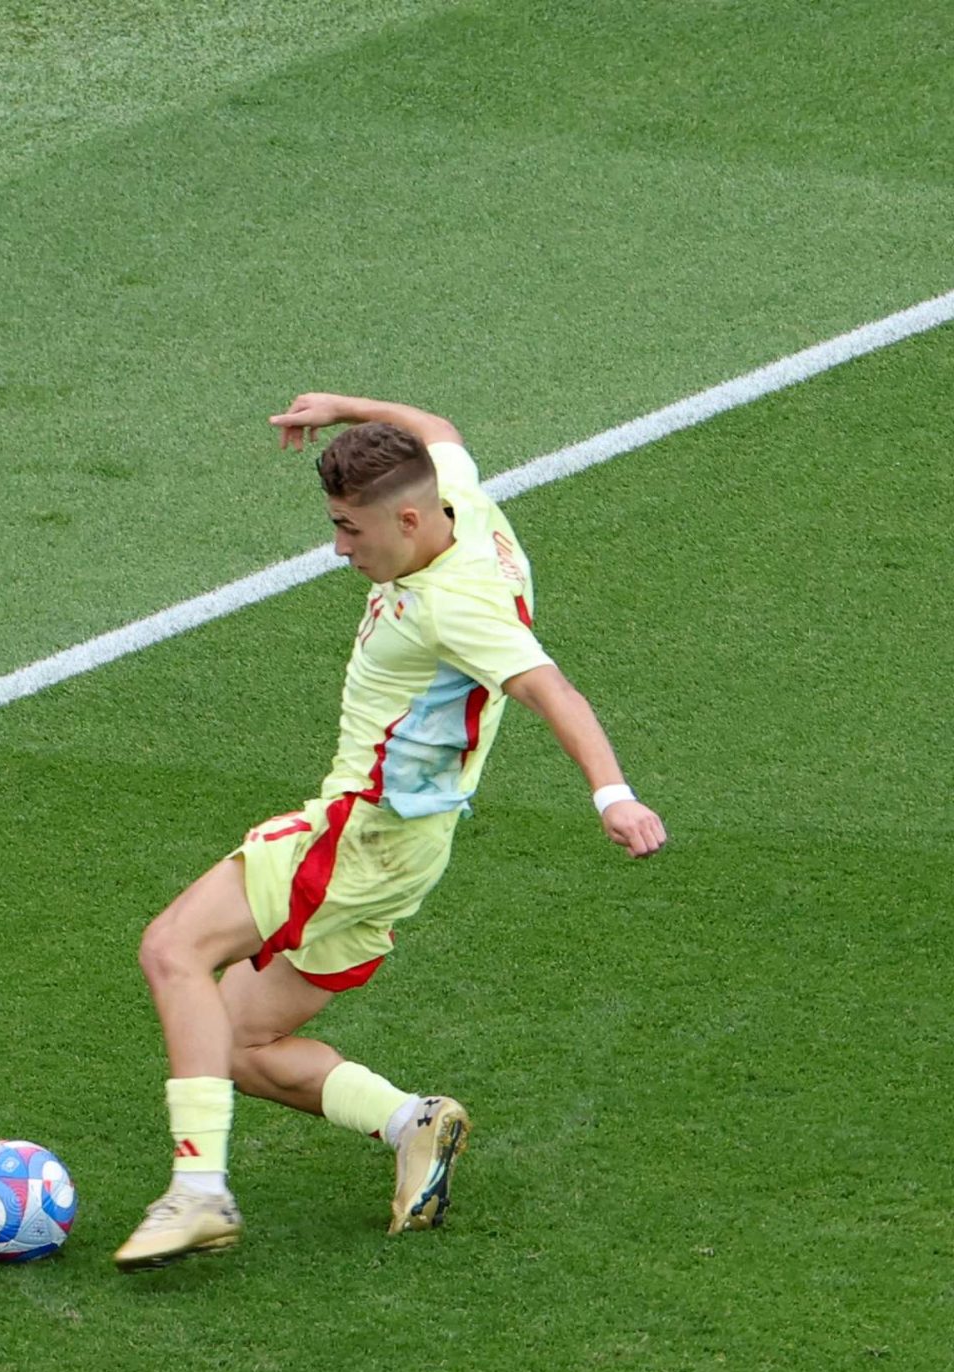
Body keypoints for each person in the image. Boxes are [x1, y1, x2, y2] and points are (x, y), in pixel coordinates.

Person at [113, 394, 669, 1271]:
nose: (340, 548)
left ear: (407, 520)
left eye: (348, 529)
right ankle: (410, 1121)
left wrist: (613, 796)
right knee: (230, 1042)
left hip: (355, 835)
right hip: (408, 849)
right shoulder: (458, 501)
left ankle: (198, 1191)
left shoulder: (459, 603)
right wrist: (340, 408)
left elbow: (551, 691)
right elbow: (439, 429)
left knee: (171, 949)